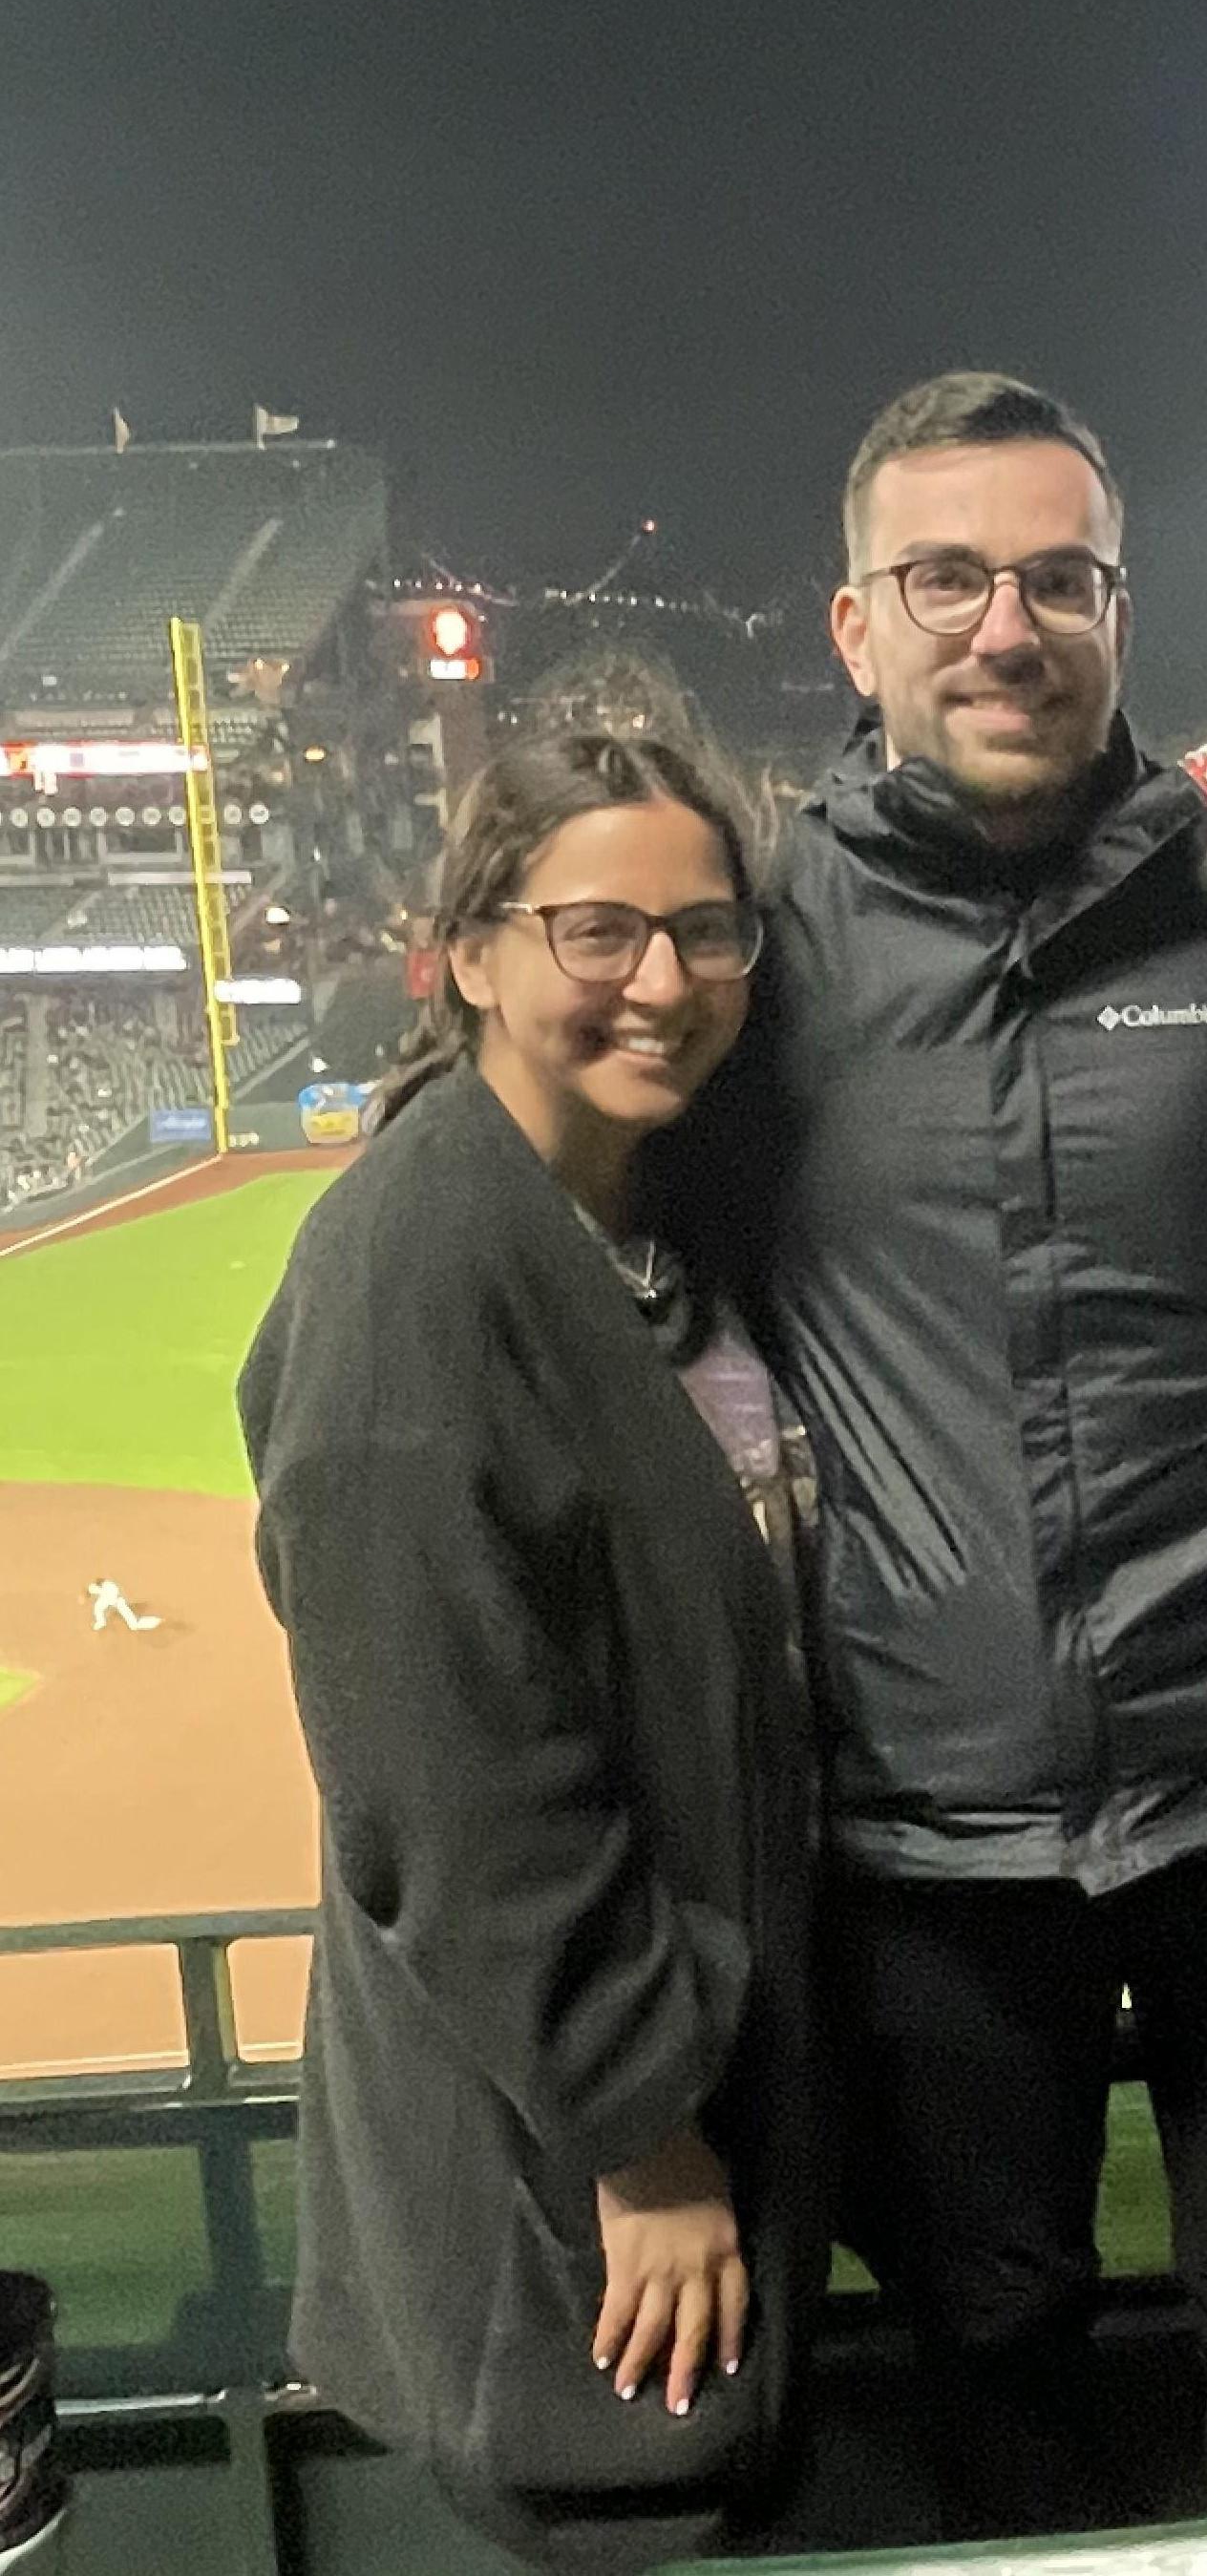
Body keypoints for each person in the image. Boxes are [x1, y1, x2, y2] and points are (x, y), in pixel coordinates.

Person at [677, 371, 1207, 2549]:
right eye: (949, 578)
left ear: (1117, 604)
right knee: (995, 2335)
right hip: (924, 1814)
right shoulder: (756, 947)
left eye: (1057, 576)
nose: (1009, 625)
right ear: (854, 625)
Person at [239, 728, 823, 2571]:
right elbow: (451, 1792)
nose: (660, 980)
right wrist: (643, 2134)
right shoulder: (416, 1272)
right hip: (573, 2178)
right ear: (471, 951)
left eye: (705, 930)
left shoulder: (629, 1223)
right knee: (632, 2511)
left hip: (682, 2099)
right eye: (598, 931)